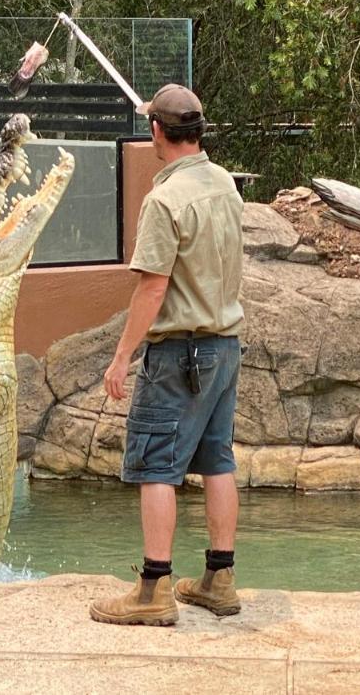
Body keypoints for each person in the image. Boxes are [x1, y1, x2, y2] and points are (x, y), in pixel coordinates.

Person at [89, 83, 245, 627]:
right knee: (218, 459)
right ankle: (219, 580)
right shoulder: (225, 183)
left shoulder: (164, 201)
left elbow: (152, 290)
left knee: (157, 466)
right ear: (198, 130)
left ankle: (153, 591)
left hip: (180, 353)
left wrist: (120, 358)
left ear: (157, 131)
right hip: (226, 346)